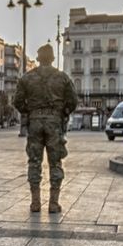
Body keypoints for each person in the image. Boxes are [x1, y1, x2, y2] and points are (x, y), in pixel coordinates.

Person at [13, 44, 78, 213]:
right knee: (55, 162)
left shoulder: (27, 78)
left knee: (34, 161)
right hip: (54, 122)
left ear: (39, 58)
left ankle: (35, 203)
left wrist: (30, 111)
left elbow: (17, 101)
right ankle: (53, 204)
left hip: (34, 122)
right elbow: (73, 101)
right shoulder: (62, 78)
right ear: (52, 59)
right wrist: (62, 112)